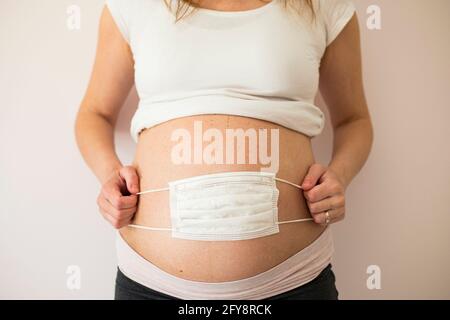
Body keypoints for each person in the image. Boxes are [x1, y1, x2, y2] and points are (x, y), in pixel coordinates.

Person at [75, 0, 373, 300]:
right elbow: (94, 113)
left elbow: (353, 120)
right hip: (150, 285)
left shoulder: (324, 7)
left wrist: (339, 176)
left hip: (292, 282)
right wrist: (109, 175)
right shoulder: (133, 6)